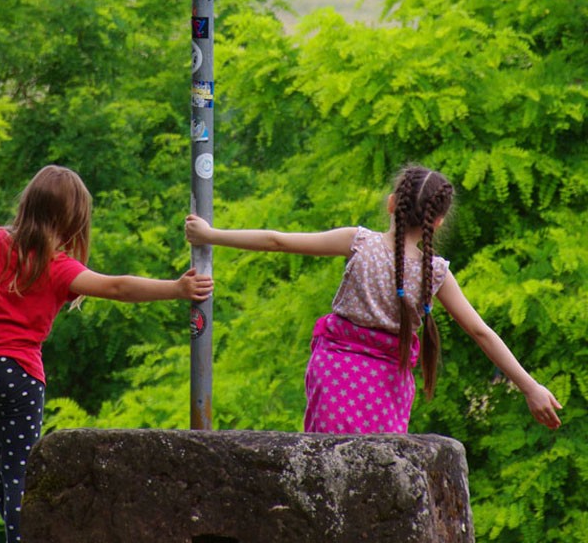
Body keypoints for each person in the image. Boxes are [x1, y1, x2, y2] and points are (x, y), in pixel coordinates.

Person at [0, 164, 213, 543]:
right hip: (17, 375)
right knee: (21, 481)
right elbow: (116, 287)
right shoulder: (57, 266)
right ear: (73, 220)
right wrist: (176, 289)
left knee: (3, 482)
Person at [185, 164, 561, 435]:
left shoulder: (359, 243)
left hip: (333, 372)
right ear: (439, 221)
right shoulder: (436, 273)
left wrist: (210, 234)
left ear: (392, 203)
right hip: (387, 385)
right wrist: (530, 387)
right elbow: (481, 333)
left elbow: (277, 240)